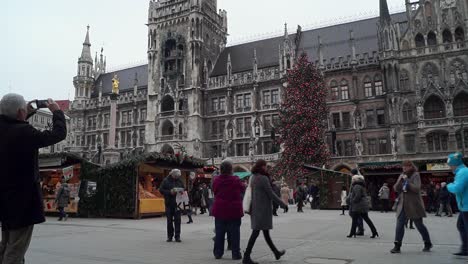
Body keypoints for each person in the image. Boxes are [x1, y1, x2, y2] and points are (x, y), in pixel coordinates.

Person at [0, 95, 66, 264]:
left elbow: (12, 126)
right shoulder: (24, 132)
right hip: (22, 201)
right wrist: (57, 112)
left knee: (6, 244)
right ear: (21, 112)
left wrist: (26, 115)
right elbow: (57, 134)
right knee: (15, 249)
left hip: (4, 200)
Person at [243, 159, 288, 264]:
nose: (266, 167)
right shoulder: (263, 178)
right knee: (255, 233)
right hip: (262, 210)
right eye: (265, 166)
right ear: (261, 166)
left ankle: (276, 252)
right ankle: (246, 257)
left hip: (256, 209)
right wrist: (283, 204)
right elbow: (271, 193)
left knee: (265, 233)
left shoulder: (253, 177)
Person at [390, 161, 432, 254]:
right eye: (403, 167)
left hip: (414, 204)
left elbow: (417, 188)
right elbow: (396, 188)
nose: (404, 168)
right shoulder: (402, 175)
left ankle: (427, 242)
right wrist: (400, 181)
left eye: (406, 167)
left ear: (410, 167)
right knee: (399, 224)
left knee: (419, 225)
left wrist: (407, 181)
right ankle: (397, 245)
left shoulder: (415, 175)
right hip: (403, 204)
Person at [211, 159, 244, 260]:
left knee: (220, 232)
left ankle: (218, 253)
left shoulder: (216, 180)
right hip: (233, 210)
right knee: (235, 232)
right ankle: (235, 254)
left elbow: (214, 191)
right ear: (231, 170)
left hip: (220, 209)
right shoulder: (236, 180)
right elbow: (242, 189)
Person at [447, 152, 468, 256]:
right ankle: (465, 249)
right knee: (461, 226)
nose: (450, 167)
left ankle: (466, 249)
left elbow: (457, 188)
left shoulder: (463, 172)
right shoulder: (462, 171)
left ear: (455, 164)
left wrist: (449, 185)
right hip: (464, 205)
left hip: (466, 206)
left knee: (463, 227)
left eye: (450, 165)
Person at [159, 169, 185, 243]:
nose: (177, 177)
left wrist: (181, 191)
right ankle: (169, 236)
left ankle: (177, 236)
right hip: (169, 203)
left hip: (178, 204)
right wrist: (169, 192)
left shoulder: (180, 181)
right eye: (176, 176)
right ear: (172, 175)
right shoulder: (165, 181)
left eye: (178, 176)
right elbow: (161, 190)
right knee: (169, 221)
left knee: (178, 220)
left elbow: (184, 189)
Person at [349, 169, 365, 236]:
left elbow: (354, 191)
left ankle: (360, 229)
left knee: (353, 214)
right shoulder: (359, 178)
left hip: (355, 201)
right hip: (357, 200)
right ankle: (360, 229)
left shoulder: (355, 178)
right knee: (358, 215)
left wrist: (352, 200)